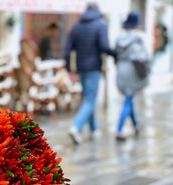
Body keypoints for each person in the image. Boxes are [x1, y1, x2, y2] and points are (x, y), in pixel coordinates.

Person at [64, 2, 116, 144]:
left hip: (81, 68)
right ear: (97, 10)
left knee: (88, 98)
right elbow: (105, 46)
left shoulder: (77, 25)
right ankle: (76, 127)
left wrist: (69, 69)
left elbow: (67, 50)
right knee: (90, 100)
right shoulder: (100, 24)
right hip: (93, 68)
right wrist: (116, 54)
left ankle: (94, 129)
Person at [115, 11, 150, 140]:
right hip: (133, 71)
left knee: (129, 97)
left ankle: (136, 125)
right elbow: (145, 56)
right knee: (128, 99)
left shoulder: (119, 37)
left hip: (121, 70)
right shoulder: (139, 37)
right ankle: (119, 130)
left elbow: (116, 54)